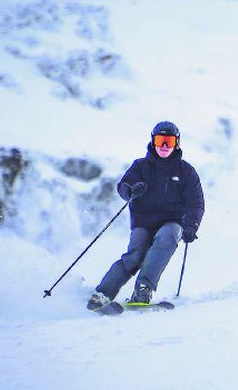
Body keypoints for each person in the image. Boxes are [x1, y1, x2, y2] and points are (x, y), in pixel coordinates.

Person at [87, 121, 204, 309]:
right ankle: (102, 294)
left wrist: (191, 226)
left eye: (168, 141)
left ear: (176, 143)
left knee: (167, 237)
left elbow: (195, 202)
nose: (163, 146)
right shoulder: (141, 166)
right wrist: (131, 191)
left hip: (172, 222)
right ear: (152, 141)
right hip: (143, 222)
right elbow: (123, 186)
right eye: (159, 140)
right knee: (135, 256)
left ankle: (143, 288)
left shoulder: (186, 171)